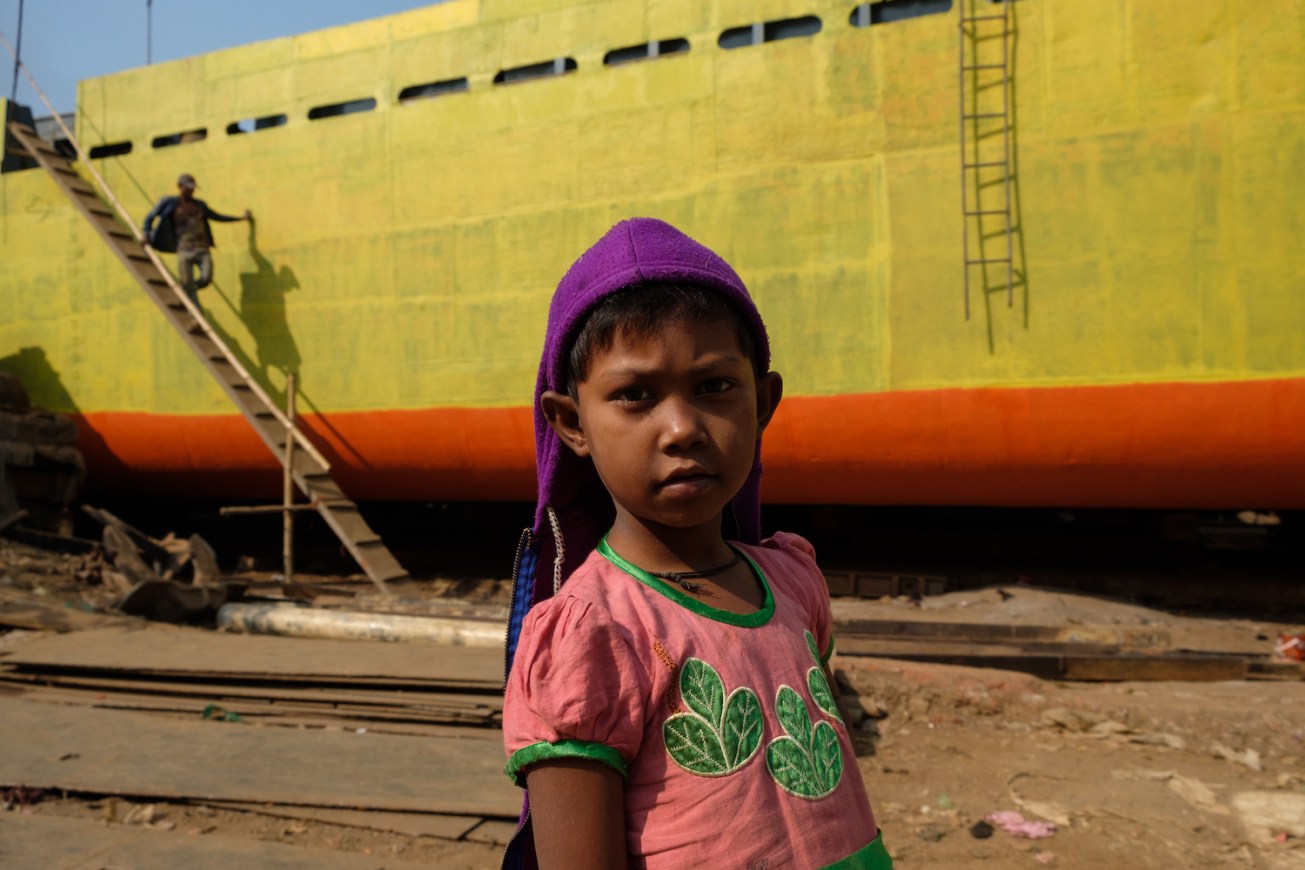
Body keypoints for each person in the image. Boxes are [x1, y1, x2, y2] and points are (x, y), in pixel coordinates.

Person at [501, 217, 891, 868]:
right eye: (634, 396)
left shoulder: (793, 581)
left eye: (713, 386)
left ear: (762, 402)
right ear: (571, 424)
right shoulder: (593, 633)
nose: (681, 429)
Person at [142, 173, 251, 307]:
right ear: (180, 186)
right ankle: (195, 311)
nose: (191, 190)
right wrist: (146, 232)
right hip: (183, 251)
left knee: (206, 279)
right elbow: (150, 217)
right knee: (187, 283)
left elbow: (217, 216)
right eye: (187, 187)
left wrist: (241, 218)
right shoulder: (169, 203)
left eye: (192, 188)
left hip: (202, 250)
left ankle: (187, 293)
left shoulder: (200, 205)